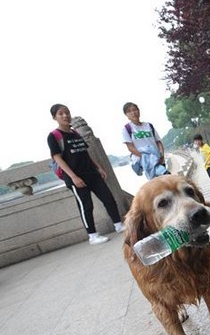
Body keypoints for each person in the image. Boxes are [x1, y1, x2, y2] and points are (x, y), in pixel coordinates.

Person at [47, 104, 125, 245]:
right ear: (54, 117)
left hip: (91, 173)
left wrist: (98, 167)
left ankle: (118, 225)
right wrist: (73, 177)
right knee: (86, 206)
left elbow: (85, 153)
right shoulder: (54, 136)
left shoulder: (75, 133)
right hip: (76, 177)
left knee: (108, 198)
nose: (65, 116)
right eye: (61, 113)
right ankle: (92, 236)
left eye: (67, 112)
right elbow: (57, 158)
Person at [121, 102, 169, 180]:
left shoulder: (148, 125)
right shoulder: (127, 129)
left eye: (135, 110)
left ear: (139, 111)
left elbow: (158, 142)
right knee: (164, 175)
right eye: (129, 111)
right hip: (144, 159)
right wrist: (146, 158)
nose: (133, 113)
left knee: (165, 179)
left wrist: (161, 155)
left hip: (157, 157)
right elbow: (130, 148)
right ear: (126, 115)